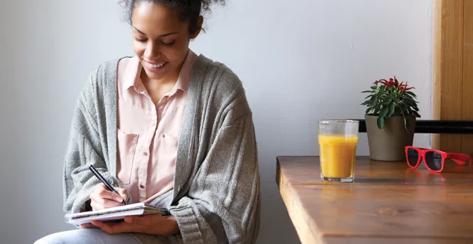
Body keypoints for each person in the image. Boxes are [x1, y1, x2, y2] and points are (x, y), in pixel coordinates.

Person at [35, 0, 260, 243]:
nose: (151, 54)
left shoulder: (222, 93)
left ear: (194, 28)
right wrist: (96, 196)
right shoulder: (102, 85)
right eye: (140, 38)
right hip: (108, 235)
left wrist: (165, 224)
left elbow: (230, 204)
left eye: (168, 41)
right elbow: (80, 170)